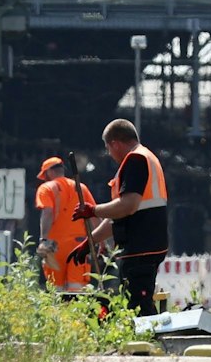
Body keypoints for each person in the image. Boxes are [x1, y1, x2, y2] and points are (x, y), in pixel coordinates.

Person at [71, 118, 169, 316]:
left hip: (141, 247)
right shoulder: (147, 157)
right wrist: (90, 242)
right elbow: (118, 214)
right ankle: (146, 342)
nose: (109, 153)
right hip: (146, 246)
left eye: (108, 148)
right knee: (135, 302)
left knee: (138, 306)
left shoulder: (135, 160)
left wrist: (93, 210)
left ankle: (146, 345)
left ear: (115, 143)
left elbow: (128, 206)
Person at [35, 157, 97, 293]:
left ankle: (59, 314)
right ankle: (77, 313)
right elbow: (94, 215)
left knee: (56, 290)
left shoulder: (46, 188)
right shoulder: (81, 188)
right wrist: (101, 242)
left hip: (55, 247)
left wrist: (43, 239)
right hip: (79, 247)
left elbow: (47, 212)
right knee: (77, 289)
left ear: (49, 173)